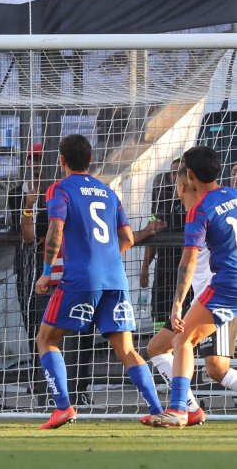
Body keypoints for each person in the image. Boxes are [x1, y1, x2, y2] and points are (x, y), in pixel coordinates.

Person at [34, 134, 163, 430]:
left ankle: (63, 407)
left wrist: (45, 271)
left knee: (47, 339)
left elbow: (55, 230)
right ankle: (157, 409)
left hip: (81, 278)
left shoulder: (60, 189)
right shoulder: (108, 192)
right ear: (90, 160)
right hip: (115, 279)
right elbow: (128, 238)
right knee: (127, 350)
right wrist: (104, 258)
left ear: (61, 160)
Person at [151, 147, 237, 427]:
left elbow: (188, 262)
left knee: (184, 341)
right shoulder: (232, 196)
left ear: (188, 176)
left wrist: (176, 305)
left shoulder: (201, 209)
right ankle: (187, 407)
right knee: (160, 346)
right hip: (223, 285)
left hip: (225, 284)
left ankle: (178, 411)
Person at [141, 158, 184, 328]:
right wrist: (145, 267)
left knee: (183, 313)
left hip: (185, 270)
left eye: (179, 172)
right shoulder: (161, 202)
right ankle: (161, 347)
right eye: (174, 172)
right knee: (160, 311)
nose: (176, 176)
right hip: (163, 268)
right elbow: (151, 233)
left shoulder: (194, 203)